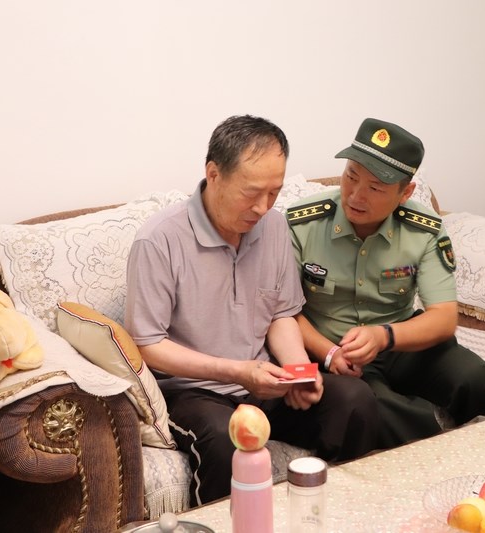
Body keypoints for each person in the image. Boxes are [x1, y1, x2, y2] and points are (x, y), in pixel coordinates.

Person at [124, 114, 379, 506]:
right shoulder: (159, 241)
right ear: (214, 174)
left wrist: (298, 371)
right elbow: (147, 344)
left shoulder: (274, 227)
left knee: (354, 400)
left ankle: (346, 515)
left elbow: (280, 314)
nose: (263, 207)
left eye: (274, 192)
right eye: (252, 193)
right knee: (226, 441)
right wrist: (238, 372)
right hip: (195, 392)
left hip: (266, 383)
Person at [287, 117, 485, 449]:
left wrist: (383, 336)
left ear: (405, 193)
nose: (356, 195)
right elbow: (284, 313)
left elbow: (443, 317)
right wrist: (329, 353)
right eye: (351, 176)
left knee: (478, 379)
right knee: (384, 409)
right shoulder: (302, 223)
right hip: (334, 349)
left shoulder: (423, 229)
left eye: (376, 188)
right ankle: (439, 471)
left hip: (398, 341)